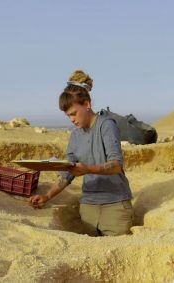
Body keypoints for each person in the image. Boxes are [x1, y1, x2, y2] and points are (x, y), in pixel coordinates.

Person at [29, 70, 133, 236]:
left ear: (86, 104)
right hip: (88, 207)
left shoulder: (106, 125)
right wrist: (46, 197)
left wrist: (88, 169)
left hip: (115, 205)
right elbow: (67, 174)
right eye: (68, 116)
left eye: (73, 113)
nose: (72, 119)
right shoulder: (75, 135)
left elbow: (116, 165)